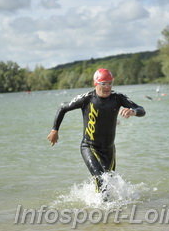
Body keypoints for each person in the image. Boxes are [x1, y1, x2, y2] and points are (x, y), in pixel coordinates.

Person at [47, 68, 145, 198]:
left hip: (109, 149)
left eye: (110, 83)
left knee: (109, 182)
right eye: (103, 83)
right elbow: (63, 107)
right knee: (101, 180)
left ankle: (108, 211)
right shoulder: (86, 99)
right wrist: (55, 130)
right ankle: (103, 211)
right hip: (89, 147)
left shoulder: (118, 98)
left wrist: (133, 112)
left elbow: (141, 110)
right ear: (96, 83)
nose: (107, 87)